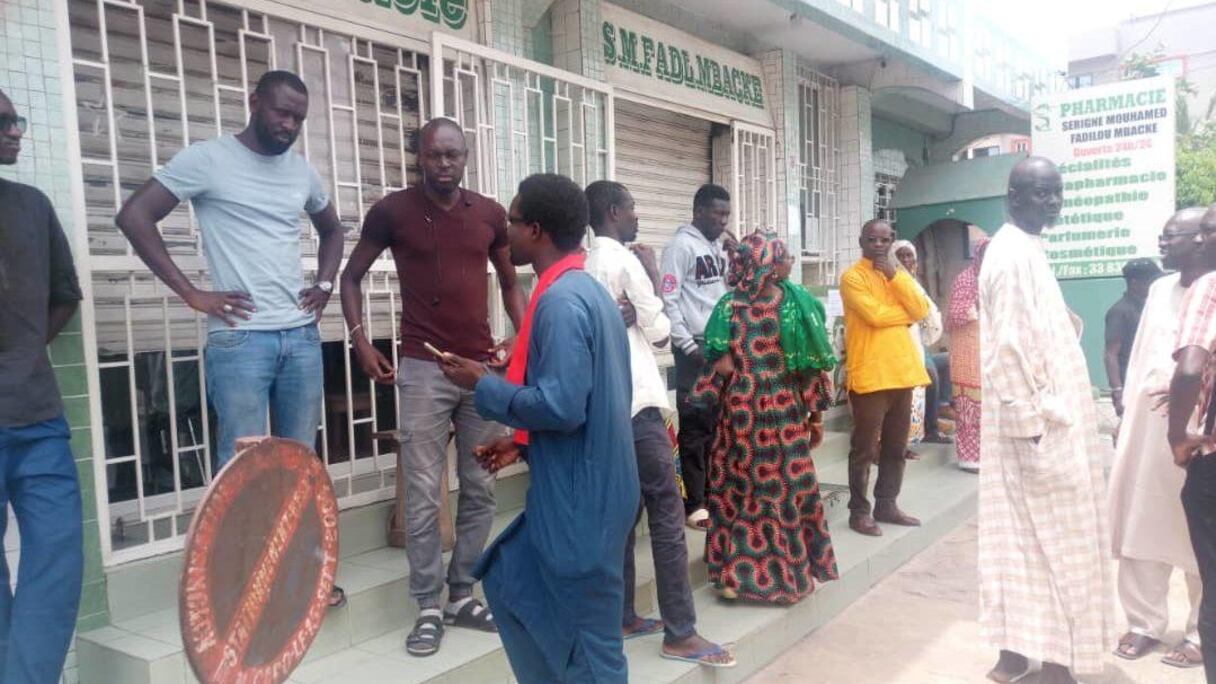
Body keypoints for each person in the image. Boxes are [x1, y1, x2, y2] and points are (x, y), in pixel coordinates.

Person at [115, 70, 348, 606]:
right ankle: (238, 587)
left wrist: (325, 283)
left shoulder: (301, 173)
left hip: (300, 338)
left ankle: (297, 581)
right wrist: (192, 293)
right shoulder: (208, 160)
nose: (288, 125)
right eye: (281, 112)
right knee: (239, 471)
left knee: (299, 465)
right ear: (255, 102)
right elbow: (134, 216)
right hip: (241, 342)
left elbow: (333, 230)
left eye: (298, 118)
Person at [438, 173, 639, 683]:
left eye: (512, 220)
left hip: (581, 502)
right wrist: (522, 443)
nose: (505, 231)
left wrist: (483, 382)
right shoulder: (583, 292)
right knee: (509, 580)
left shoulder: (563, 303)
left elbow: (563, 407)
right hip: (585, 486)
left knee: (592, 649)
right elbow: (579, 402)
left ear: (537, 230)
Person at [339, 117, 524, 656]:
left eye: (454, 155)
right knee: (422, 495)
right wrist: (361, 343)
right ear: (419, 156)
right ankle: (426, 604)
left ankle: (461, 594)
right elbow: (350, 278)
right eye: (435, 155)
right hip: (422, 366)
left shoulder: (488, 214)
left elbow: (511, 285)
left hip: (482, 369)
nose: (445, 164)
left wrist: (520, 340)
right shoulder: (391, 211)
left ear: (466, 157)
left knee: (481, 483)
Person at [583, 180, 733, 667]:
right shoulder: (627, 261)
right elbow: (663, 332)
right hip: (640, 403)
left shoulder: (586, 264)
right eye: (631, 207)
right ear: (612, 212)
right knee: (667, 515)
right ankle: (681, 633)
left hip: (607, 406)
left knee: (625, 514)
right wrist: (649, 272)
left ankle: (624, 614)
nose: (637, 216)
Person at [978, 157, 1112, 684]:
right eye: (1040, 194)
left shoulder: (1027, 248)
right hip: (1035, 427)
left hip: (1044, 419)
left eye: (1057, 193)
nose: (1052, 203)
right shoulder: (1009, 255)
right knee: (1057, 542)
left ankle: (1016, 653)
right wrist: (1029, 423)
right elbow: (1007, 347)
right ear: (1014, 197)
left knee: (1022, 539)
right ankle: (1054, 661)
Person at [692, 231, 839, 604]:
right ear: (769, 265)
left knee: (739, 493)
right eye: (783, 256)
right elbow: (810, 368)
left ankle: (733, 577)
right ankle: (788, 578)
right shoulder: (793, 302)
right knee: (784, 490)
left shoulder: (728, 306)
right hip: (785, 411)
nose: (789, 262)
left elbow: (721, 365)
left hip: (741, 415)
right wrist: (815, 416)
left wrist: (747, 379)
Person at [0, 88, 85, 684]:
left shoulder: (31, 205)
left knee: (57, 560)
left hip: (36, 416)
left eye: (17, 121)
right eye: (3, 123)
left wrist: (24, 349)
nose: (16, 132)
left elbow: (65, 295)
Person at [1109, 208, 1209, 669]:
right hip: (1151, 434)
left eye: (1172, 237)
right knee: (1142, 524)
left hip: (1201, 438)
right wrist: (1127, 416)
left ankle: (1197, 633)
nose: (1163, 244)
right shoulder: (1157, 290)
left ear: (1203, 238)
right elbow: (1139, 360)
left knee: (1200, 538)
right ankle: (1144, 623)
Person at [839, 219, 930, 537]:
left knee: (895, 445)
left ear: (891, 241)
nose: (879, 246)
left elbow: (922, 308)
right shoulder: (852, 277)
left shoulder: (898, 275)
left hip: (902, 374)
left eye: (884, 240)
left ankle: (887, 503)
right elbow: (875, 316)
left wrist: (895, 276)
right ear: (861, 241)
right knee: (864, 448)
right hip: (871, 376)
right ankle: (859, 512)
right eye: (872, 240)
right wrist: (907, 316)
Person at [660, 184, 732, 531]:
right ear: (699, 210)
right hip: (694, 349)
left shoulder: (720, 247)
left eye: (726, 215)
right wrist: (688, 346)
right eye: (717, 213)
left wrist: (735, 252)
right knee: (695, 427)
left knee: (718, 423)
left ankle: (715, 493)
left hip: (719, 345)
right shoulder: (680, 246)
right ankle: (696, 504)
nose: (723, 220)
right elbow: (669, 299)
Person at [1167, 202, 1216, 684]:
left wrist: (1177, 436)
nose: (1203, 240)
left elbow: (1189, 368)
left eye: (1209, 231)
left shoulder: (1208, 287)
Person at [890, 240, 944, 458]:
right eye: (900, 256)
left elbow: (927, 313)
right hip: (897, 345)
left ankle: (924, 432)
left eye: (909, 256)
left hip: (916, 343)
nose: (905, 260)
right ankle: (899, 445)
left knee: (922, 387)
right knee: (904, 395)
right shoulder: (891, 282)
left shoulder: (914, 283)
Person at [946, 237, 990, 472]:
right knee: (969, 406)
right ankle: (970, 459)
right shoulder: (965, 279)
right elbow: (955, 314)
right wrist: (979, 304)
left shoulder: (996, 276)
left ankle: (990, 457)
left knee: (989, 407)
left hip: (990, 349)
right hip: (967, 351)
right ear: (978, 254)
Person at [1105, 258, 1164, 416]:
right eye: (1150, 281)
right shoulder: (1120, 311)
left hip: (1152, 382)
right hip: (1131, 385)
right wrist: (1118, 392)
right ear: (1135, 283)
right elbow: (1110, 354)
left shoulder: (1153, 307)